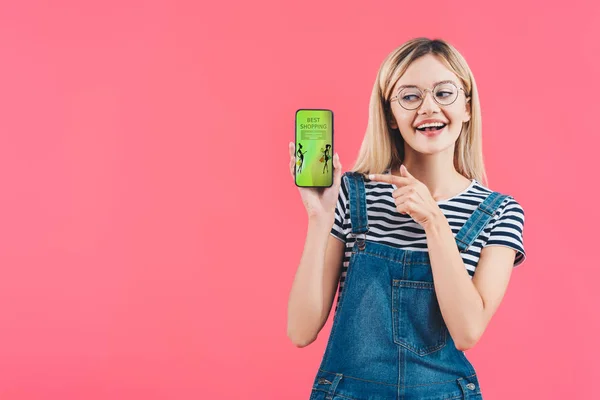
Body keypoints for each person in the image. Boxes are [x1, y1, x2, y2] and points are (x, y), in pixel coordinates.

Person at [286, 37, 526, 400]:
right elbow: (300, 331)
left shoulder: (500, 212)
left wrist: (434, 220)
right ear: (390, 116)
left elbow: (467, 331)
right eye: (410, 96)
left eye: (444, 93)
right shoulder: (351, 194)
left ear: (467, 107)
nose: (428, 108)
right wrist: (319, 219)